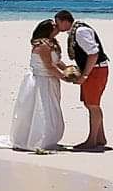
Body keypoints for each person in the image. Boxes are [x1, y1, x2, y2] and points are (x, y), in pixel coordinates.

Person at [7, 19, 76, 152]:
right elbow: (49, 66)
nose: (57, 27)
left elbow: (57, 61)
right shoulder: (42, 46)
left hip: (50, 80)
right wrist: (64, 77)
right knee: (41, 109)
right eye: (54, 26)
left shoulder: (52, 43)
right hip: (41, 81)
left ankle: (48, 137)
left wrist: (68, 68)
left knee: (50, 108)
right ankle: (38, 140)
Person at [54, 9, 110, 151]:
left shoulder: (79, 32)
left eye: (58, 23)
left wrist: (85, 75)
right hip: (95, 69)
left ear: (65, 21)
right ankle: (100, 137)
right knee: (91, 104)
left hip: (95, 70)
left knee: (93, 105)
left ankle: (92, 140)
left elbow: (93, 54)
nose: (57, 26)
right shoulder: (78, 30)